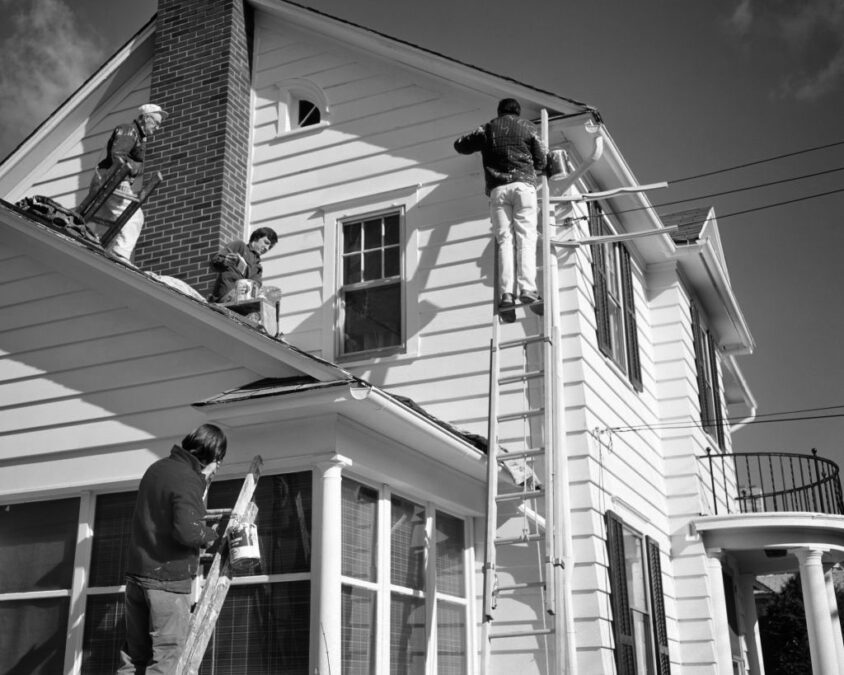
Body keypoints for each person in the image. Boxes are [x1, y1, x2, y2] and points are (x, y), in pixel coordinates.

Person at [118, 424, 227, 674]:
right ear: (214, 457)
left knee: (134, 657)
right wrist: (212, 535)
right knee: (166, 657)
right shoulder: (188, 478)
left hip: (137, 576)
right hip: (167, 581)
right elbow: (188, 531)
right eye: (219, 461)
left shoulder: (157, 469)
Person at [454, 98, 547, 319]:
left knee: (505, 240)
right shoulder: (528, 127)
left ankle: (506, 294)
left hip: (498, 190)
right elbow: (542, 160)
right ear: (518, 112)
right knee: (526, 237)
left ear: (499, 111)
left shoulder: (488, 128)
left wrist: (483, 140)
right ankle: (527, 288)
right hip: (523, 186)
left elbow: (460, 145)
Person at [85, 103, 167, 262]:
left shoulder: (136, 134)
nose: (157, 128)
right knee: (135, 217)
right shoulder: (130, 131)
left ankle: (99, 250)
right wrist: (121, 178)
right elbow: (118, 155)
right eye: (156, 123)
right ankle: (120, 255)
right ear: (145, 118)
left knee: (107, 222)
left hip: (107, 179)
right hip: (112, 180)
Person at [208, 227, 279, 302]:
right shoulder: (240, 246)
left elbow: (256, 286)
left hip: (243, 301)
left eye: (270, 247)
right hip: (226, 296)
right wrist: (224, 260)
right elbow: (215, 261)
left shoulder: (258, 268)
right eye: (266, 242)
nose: (267, 248)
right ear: (256, 237)